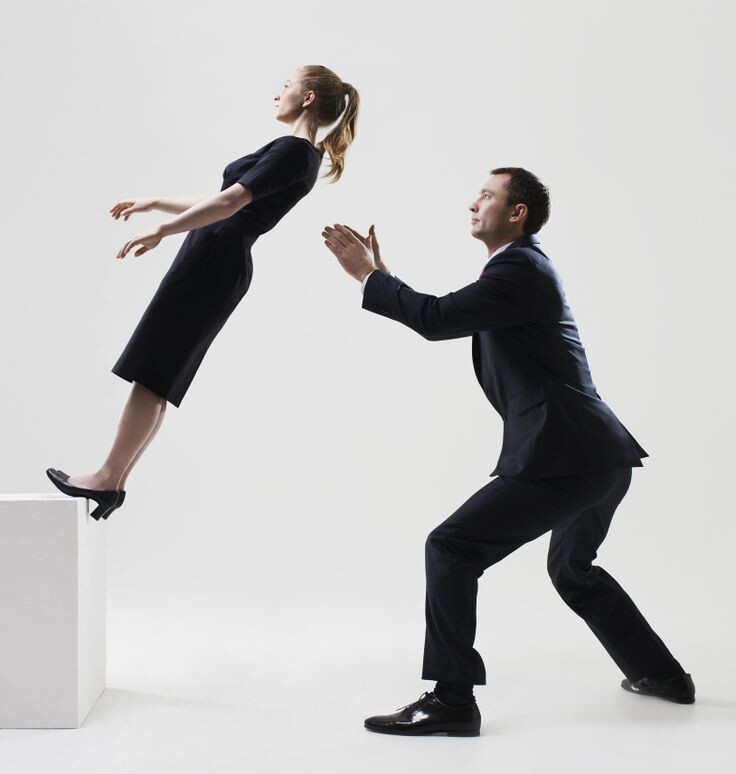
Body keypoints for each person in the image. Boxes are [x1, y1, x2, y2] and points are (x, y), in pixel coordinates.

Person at [321, 167, 694, 737]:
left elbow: (436, 319)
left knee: (451, 547)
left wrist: (368, 277)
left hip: (567, 455)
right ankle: (662, 675)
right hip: (598, 456)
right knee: (571, 570)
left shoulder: (520, 268)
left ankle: (452, 700)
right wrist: (384, 277)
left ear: (517, 213)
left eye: (487, 195)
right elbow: (448, 313)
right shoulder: (519, 271)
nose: (474, 203)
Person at [47, 65, 359, 521]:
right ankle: (113, 481)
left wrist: (163, 230)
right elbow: (223, 199)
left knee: (153, 371)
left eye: (286, 86)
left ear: (308, 98)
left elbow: (230, 203)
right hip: (217, 259)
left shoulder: (294, 151)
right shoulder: (301, 154)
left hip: (213, 260)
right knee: (159, 375)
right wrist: (156, 204)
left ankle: (106, 478)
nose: (278, 94)